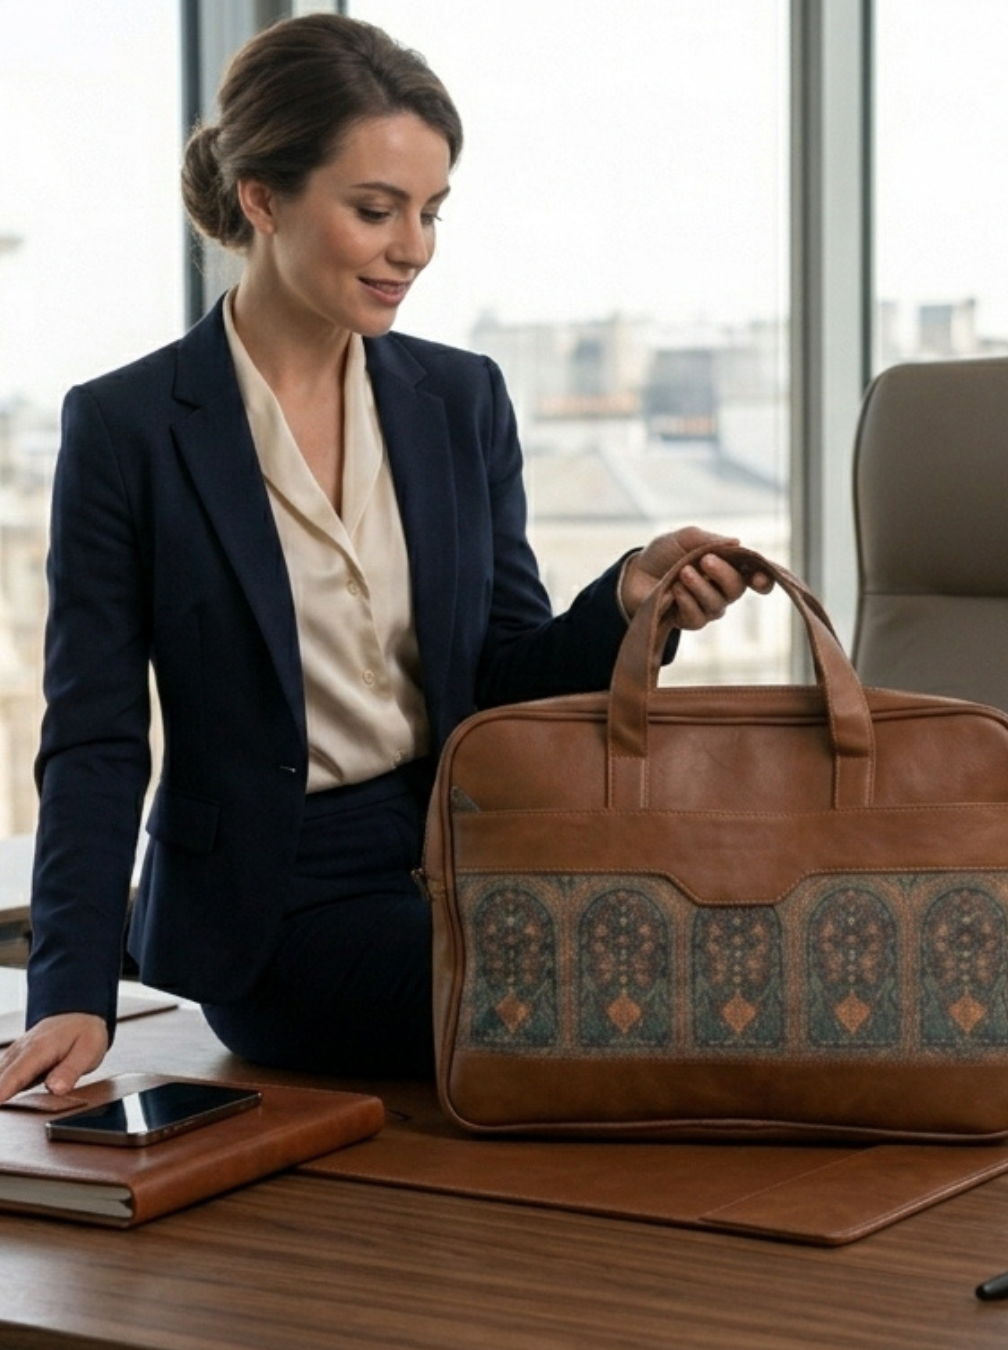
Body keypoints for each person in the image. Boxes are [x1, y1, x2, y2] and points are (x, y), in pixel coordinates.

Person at [0, 13, 768, 1103]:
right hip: (281, 909)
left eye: (430, 211)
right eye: (376, 210)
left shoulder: (459, 399)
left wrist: (628, 602)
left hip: (467, 860)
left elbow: (500, 680)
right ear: (262, 200)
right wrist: (70, 988)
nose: (414, 245)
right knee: (600, 997)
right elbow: (94, 734)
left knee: (700, 955)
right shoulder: (130, 428)